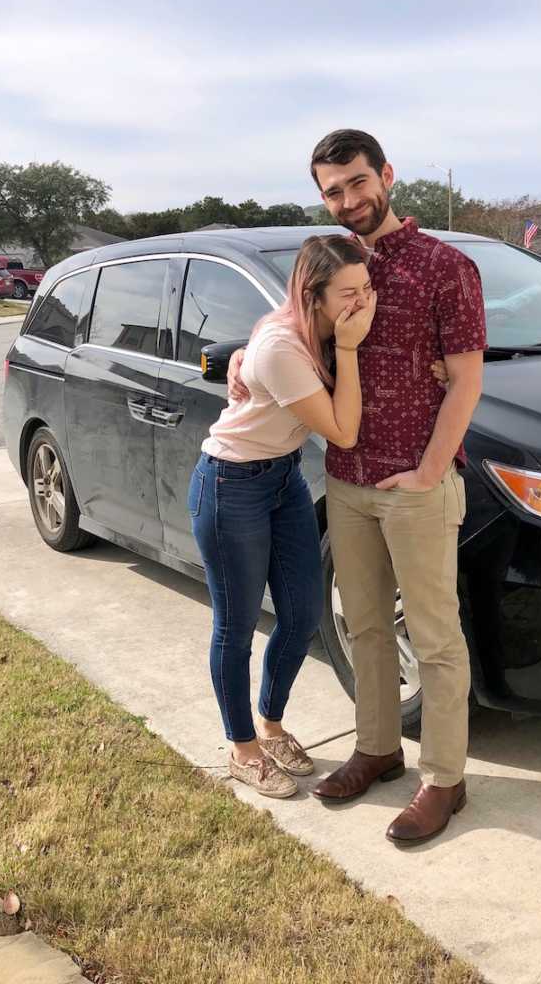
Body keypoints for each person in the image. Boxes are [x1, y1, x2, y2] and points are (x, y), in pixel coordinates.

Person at [308, 129, 486, 845]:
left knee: (437, 640)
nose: (349, 199)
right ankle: (377, 748)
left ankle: (444, 779)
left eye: (357, 182)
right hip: (346, 478)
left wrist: (431, 470)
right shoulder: (327, 267)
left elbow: (467, 379)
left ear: (387, 174)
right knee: (365, 626)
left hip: (415, 482)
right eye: (333, 190)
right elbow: (290, 331)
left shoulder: (445, 266)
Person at [190, 235, 376, 798]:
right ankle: (242, 748)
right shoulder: (283, 345)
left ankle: (270, 725)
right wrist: (347, 349)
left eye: (366, 288)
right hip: (230, 484)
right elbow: (343, 432)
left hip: (283, 479)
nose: (361, 301)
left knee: (300, 615)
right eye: (348, 292)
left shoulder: (305, 327)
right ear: (313, 294)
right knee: (237, 625)